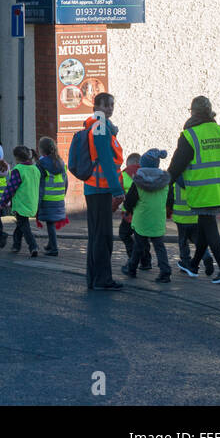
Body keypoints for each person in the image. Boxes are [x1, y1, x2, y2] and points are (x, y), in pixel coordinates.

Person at [169, 96, 220, 284]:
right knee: (205, 228)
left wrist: (165, 183)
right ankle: (193, 266)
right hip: (219, 189)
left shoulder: (190, 135)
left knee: (210, 229)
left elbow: (176, 166)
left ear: (192, 112)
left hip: (202, 191)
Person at [78, 92, 125, 291]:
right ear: (97, 106)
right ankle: (102, 279)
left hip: (96, 187)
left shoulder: (99, 126)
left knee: (98, 235)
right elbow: (105, 159)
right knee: (102, 236)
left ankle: (94, 278)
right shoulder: (100, 127)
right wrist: (117, 190)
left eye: (112, 105)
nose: (110, 109)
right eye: (106, 105)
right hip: (100, 188)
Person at [121, 148, 173, 283]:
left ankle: (132, 268)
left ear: (143, 165)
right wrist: (168, 211)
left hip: (142, 219)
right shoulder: (165, 182)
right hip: (157, 219)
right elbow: (170, 200)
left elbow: (130, 201)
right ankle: (165, 272)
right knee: (159, 246)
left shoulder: (138, 182)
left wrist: (127, 209)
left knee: (138, 246)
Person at [169, 177, 215, 276]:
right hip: (195, 217)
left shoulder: (174, 182)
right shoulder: (195, 179)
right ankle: (206, 256)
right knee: (198, 240)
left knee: (183, 241)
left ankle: (186, 261)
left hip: (180, 218)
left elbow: (170, 199)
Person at [3, 145, 40, 256]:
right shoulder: (35, 169)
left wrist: (3, 201)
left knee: (24, 225)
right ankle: (16, 245)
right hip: (32, 201)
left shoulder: (18, 170)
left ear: (16, 157)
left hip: (21, 203)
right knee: (21, 224)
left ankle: (33, 246)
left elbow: (11, 187)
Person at [35, 136, 68, 257]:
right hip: (58, 197)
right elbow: (66, 182)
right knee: (51, 222)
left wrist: (37, 202)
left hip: (47, 198)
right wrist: (62, 195)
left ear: (41, 150)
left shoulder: (41, 164)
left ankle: (54, 248)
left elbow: (39, 184)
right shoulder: (61, 162)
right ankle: (50, 244)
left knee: (50, 224)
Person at [117, 154, 149, 270]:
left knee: (124, 234)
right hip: (144, 213)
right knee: (142, 237)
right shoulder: (146, 174)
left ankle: (132, 258)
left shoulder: (123, 175)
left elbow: (119, 193)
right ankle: (146, 262)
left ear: (128, 163)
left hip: (129, 214)